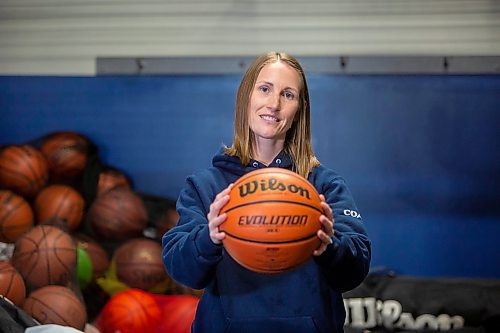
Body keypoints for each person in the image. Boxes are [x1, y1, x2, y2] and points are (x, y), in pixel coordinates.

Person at [162, 51, 371, 333]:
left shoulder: (323, 185)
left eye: (288, 94)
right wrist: (208, 237)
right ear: (246, 97)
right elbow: (182, 270)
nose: (274, 104)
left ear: (300, 108)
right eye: (264, 89)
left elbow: (356, 270)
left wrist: (329, 246)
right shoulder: (206, 186)